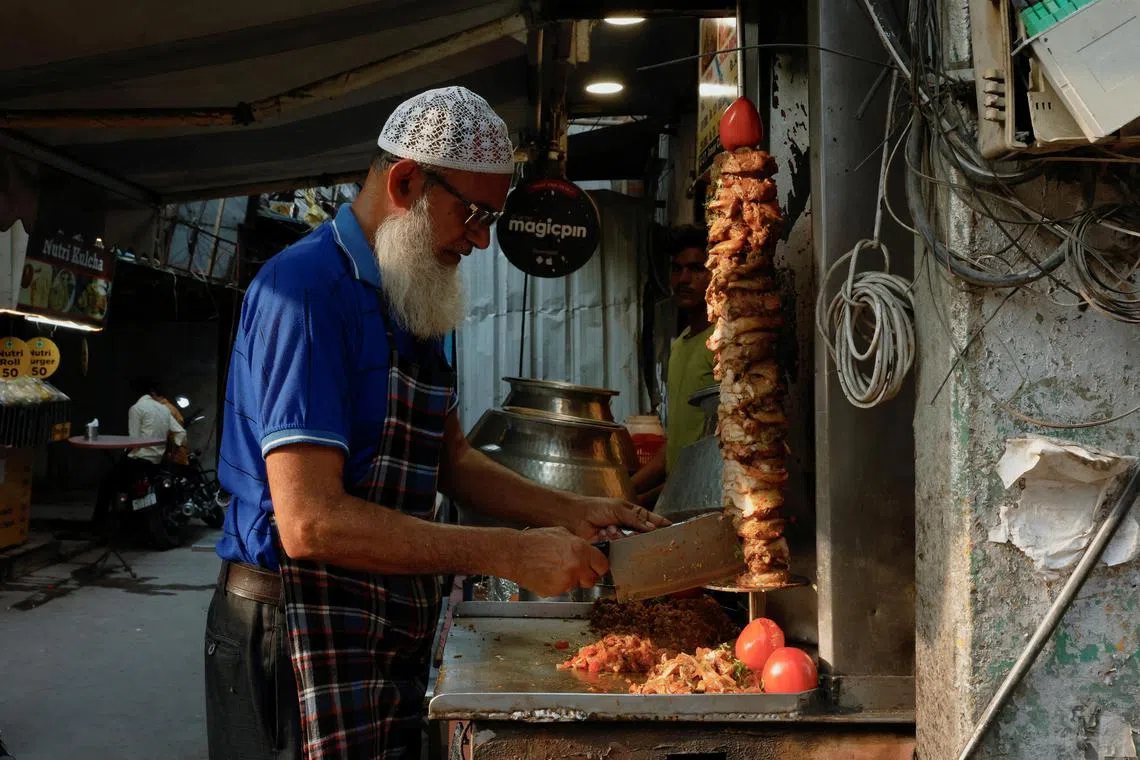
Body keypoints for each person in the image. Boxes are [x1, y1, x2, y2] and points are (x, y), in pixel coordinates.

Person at [205, 86, 667, 760]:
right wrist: (507, 552)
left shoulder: (407, 289)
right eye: (475, 214)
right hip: (294, 629)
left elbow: (449, 458)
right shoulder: (304, 296)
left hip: (382, 619)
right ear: (405, 182)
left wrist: (572, 510)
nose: (482, 241)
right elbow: (310, 524)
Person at [630, 225, 716, 503]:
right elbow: (675, 445)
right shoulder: (679, 345)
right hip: (679, 496)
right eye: (677, 269)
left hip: (709, 496)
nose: (683, 279)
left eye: (696, 269)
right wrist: (624, 490)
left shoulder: (723, 343)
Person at [126, 378, 187, 466]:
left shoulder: (136, 408)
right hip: (158, 459)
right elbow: (181, 432)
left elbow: (134, 440)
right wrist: (174, 450)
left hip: (140, 459)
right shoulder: (165, 408)